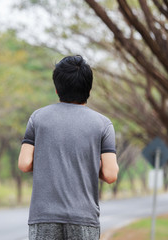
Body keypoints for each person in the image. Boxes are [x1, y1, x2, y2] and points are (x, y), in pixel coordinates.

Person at [18, 55, 119, 240]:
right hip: (84, 217)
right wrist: (86, 163)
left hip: (44, 216)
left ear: (57, 88)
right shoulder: (103, 125)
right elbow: (111, 175)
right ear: (89, 89)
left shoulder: (37, 118)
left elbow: (25, 163)